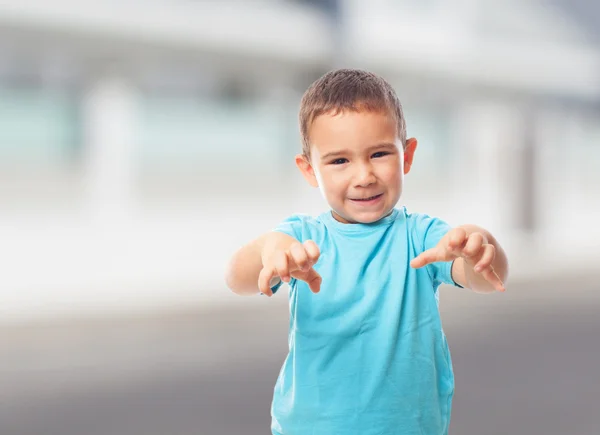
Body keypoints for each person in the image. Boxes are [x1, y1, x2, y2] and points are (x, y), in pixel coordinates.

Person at [225, 69, 509, 435]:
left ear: (406, 156)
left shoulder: (422, 236)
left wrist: (479, 247)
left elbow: (483, 277)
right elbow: (236, 278)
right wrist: (269, 249)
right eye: (339, 161)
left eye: (378, 154)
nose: (364, 176)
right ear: (309, 169)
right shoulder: (300, 238)